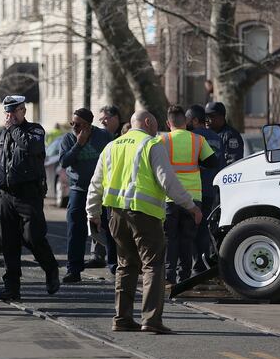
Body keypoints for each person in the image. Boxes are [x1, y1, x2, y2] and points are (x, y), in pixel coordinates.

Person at [86, 110, 202, 333]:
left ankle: (122, 319)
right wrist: (191, 206)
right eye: (156, 124)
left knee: (125, 266)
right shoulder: (151, 144)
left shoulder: (112, 145)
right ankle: (151, 319)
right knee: (153, 266)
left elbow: (96, 183)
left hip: (116, 215)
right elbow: (168, 181)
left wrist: (93, 212)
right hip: (145, 215)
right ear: (148, 122)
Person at [0, 95, 60, 301]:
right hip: (4, 195)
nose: (10, 116)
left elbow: (32, 148)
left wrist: (13, 129)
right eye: (7, 112)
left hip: (28, 195)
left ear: (23, 111)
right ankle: (11, 287)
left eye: (14, 111)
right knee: (9, 243)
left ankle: (51, 270)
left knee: (33, 237)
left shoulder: (35, 131)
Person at [162, 105, 217, 285]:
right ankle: (184, 277)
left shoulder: (162, 140)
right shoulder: (198, 140)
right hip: (193, 198)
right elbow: (212, 162)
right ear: (185, 122)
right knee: (187, 239)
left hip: (169, 197)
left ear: (168, 123)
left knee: (170, 238)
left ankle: (169, 275)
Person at [58, 108, 112, 283]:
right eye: (72, 123)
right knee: (75, 230)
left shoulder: (103, 137)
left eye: (78, 124)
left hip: (102, 190)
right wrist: (78, 144)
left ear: (89, 125)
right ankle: (73, 269)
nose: (74, 127)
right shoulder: (68, 139)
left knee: (110, 228)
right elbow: (64, 161)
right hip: (78, 190)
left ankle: (115, 266)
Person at [185, 105, 224, 273]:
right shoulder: (216, 137)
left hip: (194, 189)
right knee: (205, 228)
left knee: (190, 228)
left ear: (194, 120)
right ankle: (203, 261)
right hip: (211, 188)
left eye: (187, 120)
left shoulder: (192, 137)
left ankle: (194, 263)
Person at [87, 105, 124, 270]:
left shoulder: (123, 133)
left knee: (112, 228)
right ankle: (98, 255)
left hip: (118, 191)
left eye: (105, 119)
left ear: (115, 117)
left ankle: (113, 259)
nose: (103, 123)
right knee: (99, 223)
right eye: (100, 120)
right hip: (104, 186)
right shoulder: (101, 136)